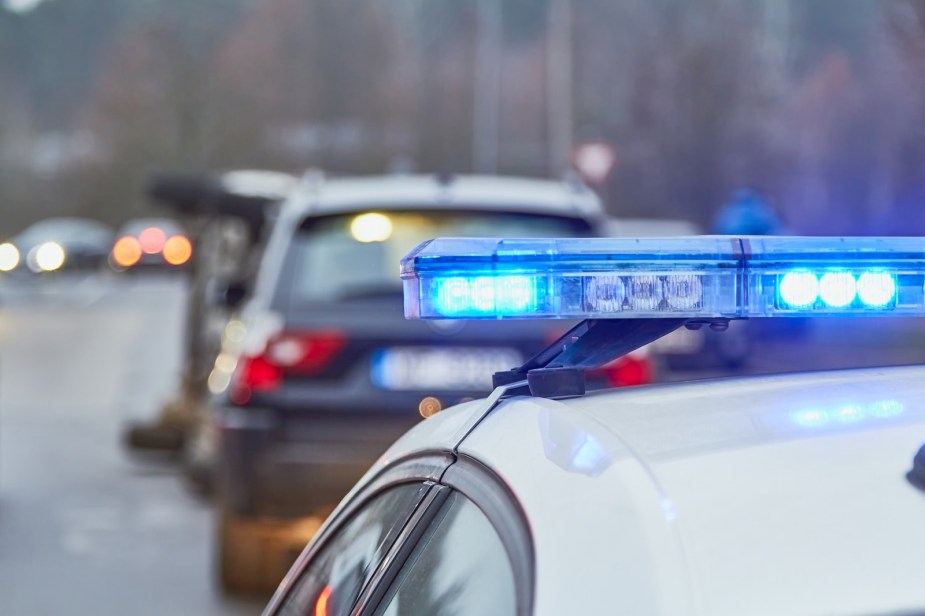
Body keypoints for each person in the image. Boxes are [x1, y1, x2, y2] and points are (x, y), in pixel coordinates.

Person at [712, 188, 783, 236]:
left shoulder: (725, 213)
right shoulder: (760, 211)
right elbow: (775, 230)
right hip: (756, 251)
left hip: (729, 249)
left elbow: (716, 229)